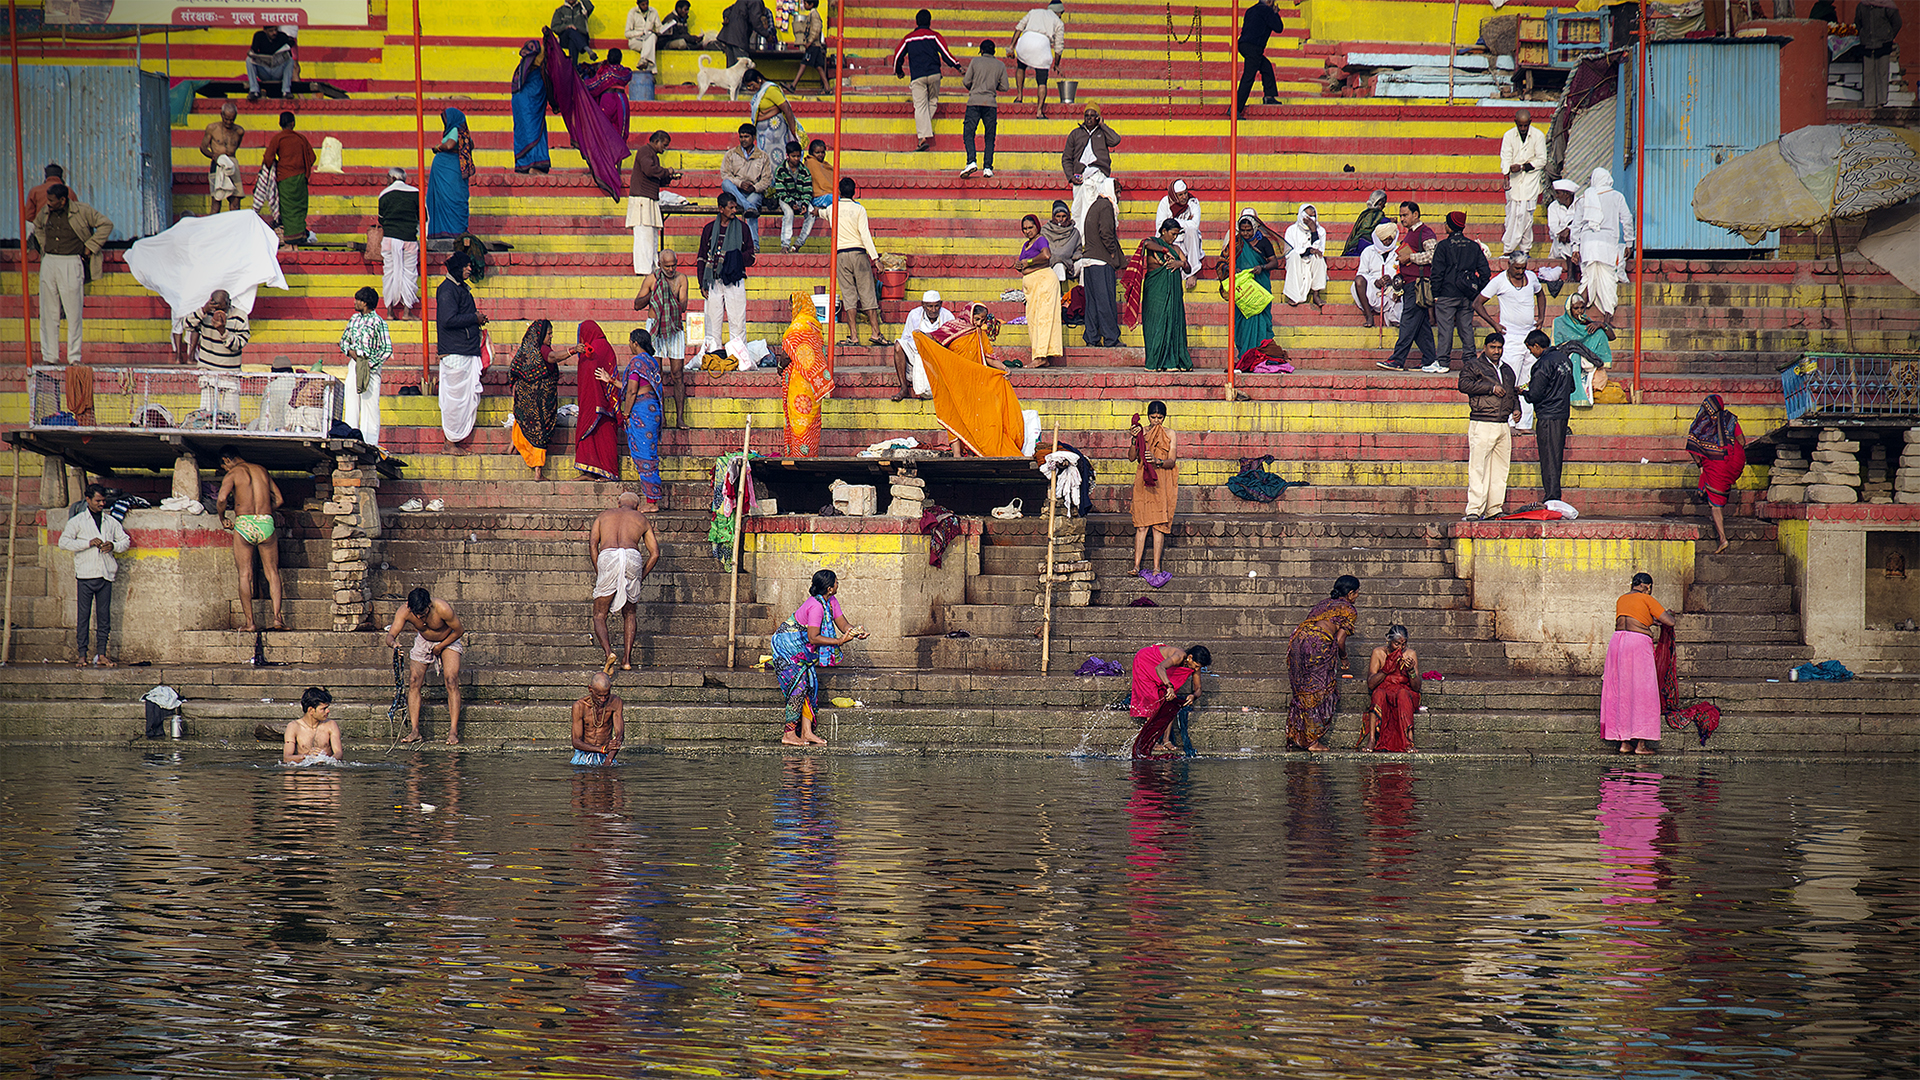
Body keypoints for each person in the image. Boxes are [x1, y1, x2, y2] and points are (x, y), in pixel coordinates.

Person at [770, 569, 866, 746]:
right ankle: (789, 733)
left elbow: (842, 623)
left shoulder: (832, 601)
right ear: (830, 588)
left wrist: (854, 632)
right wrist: (838, 641)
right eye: (836, 582)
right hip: (787, 647)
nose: (838, 584)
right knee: (799, 687)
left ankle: (806, 732)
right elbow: (813, 637)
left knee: (811, 686)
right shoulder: (815, 606)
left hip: (803, 651)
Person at [28, 185, 111, 367]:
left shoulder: (82, 211)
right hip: (49, 261)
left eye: (52, 200)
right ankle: (50, 355)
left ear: (63, 200)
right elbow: (37, 226)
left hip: (71, 261)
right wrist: (43, 245)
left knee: (73, 312)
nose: (48, 204)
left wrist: (91, 246)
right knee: (48, 312)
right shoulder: (46, 211)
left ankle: (74, 357)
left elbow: (106, 224)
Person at [58, 483, 130, 668]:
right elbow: (64, 542)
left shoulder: (111, 521)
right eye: (98, 500)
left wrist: (112, 545)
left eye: (104, 501)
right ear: (88, 500)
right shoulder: (77, 521)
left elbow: (125, 541)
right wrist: (87, 543)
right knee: (84, 616)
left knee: (104, 617)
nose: (102, 504)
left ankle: (102, 654)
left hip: (105, 574)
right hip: (85, 574)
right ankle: (82, 654)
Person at [216, 446, 286, 633]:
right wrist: (265, 510)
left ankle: (250, 623)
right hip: (265, 522)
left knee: (244, 574)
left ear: (226, 460)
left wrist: (222, 517)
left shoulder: (233, 474)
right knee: (272, 573)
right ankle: (277, 619)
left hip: (244, 523)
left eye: (223, 466)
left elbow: (222, 498)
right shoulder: (262, 470)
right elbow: (279, 500)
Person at [1286, 574, 1360, 752]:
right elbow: (1340, 641)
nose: (1357, 597)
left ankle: (1297, 736)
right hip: (1318, 643)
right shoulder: (1349, 609)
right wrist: (1344, 658)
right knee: (1319, 690)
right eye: (1357, 594)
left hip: (1298, 640)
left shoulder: (1323, 603)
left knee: (1302, 689)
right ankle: (1312, 742)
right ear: (1350, 593)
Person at [384, 587, 466, 745]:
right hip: (423, 641)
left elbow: (459, 630)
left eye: (424, 612)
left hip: (448, 640)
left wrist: (440, 647)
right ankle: (415, 731)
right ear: (410, 607)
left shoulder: (443, 608)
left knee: (451, 680)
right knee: (414, 681)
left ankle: (453, 731)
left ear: (429, 605)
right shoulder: (405, 610)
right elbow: (391, 634)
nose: (421, 616)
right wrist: (393, 644)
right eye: (418, 613)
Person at [588, 492, 661, 671]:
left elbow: (592, 545)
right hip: (632, 557)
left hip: (608, 556)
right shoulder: (641, 519)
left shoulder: (603, 516)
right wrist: (640, 576)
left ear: (618, 502)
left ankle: (608, 653)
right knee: (630, 613)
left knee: (599, 614)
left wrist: (600, 571)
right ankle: (627, 660)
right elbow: (655, 553)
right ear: (637, 506)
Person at [1603, 572, 1672, 754]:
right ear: (1647, 586)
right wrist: (1663, 617)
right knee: (1643, 692)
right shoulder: (1646, 598)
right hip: (1637, 644)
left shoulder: (1622, 599)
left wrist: (1651, 620)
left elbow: (1633, 618)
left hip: (1617, 643)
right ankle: (1640, 745)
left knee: (1621, 691)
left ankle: (1624, 743)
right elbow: (1670, 622)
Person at [1473, 252, 1544, 430]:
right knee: (1510, 379)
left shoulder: (1532, 277)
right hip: (1510, 338)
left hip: (1530, 338)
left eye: (1523, 268)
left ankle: (1525, 424)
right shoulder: (1499, 281)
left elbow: (1541, 294)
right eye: (1517, 268)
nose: (1521, 272)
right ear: (1509, 265)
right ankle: (1509, 422)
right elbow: (1477, 303)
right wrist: (1494, 325)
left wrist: (1541, 317)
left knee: (1528, 381)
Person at [1457, 332, 1519, 521]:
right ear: (1484, 348)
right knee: (1479, 468)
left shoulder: (1507, 370)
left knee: (1500, 469)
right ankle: (1474, 509)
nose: (1496, 351)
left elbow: (1512, 392)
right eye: (1492, 347)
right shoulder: (1474, 366)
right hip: (1482, 421)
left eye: (1499, 347)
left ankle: (1494, 508)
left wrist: (1516, 408)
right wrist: (1490, 388)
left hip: (1502, 424)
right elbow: (1463, 384)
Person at [509, 320, 579, 477]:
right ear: (540, 335)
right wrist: (572, 350)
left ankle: (510, 449)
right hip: (537, 403)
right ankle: (538, 472)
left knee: (522, 421)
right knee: (539, 432)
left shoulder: (526, 350)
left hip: (525, 398)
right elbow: (552, 358)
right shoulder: (542, 349)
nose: (551, 337)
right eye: (549, 334)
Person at [1377, 201, 1439, 372]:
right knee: (1421, 326)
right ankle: (1429, 360)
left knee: (1408, 322)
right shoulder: (1411, 234)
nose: (1402, 219)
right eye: (1401, 215)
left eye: (1405, 215)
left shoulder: (1424, 232)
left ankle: (1397, 360)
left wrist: (1410, 257)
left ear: (1416, 215)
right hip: (1409, 284)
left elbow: (1434, 255)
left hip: (1418, 285)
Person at [633, 248, 691, 427]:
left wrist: (668, 297)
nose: (671, 269)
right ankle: (662, 416)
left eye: (674, 265)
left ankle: (680, 418)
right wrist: (655, 293)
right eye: (667, 266)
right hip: (655, 328)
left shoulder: (682, 279)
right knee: (656, 373)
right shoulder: (651, 279)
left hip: (674, 327)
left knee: (677, 373)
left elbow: (683, 306)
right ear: (660, 265)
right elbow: (637, 304)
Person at [1686, 394, 1748, 555]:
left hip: (1716, 464)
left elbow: (1692, 445)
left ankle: (1722, 539)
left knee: (1715, 505)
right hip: (1735, 461)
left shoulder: (1701, 423)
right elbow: (1742, 441)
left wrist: (1701, 465)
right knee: (1715, 489)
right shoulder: (1730, 418)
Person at [1430, 210, 1490, 376]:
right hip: (1467, 295)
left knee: (1445, 328)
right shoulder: (1473, 246)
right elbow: (1485, 272)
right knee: (1466, 328)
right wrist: (1478, 291)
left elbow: (1437, 273)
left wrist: (1435, 293)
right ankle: (1471, 361)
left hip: (1446, 294)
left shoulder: (1443, 246)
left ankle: (1443, 361)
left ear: (1449, 226)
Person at [894, 9, 962, 152]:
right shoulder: (935, 36)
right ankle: (926, 130)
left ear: (916, 22)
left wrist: (899, 71)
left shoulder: (909, 38)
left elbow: (898, 56)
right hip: (934, 74)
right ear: (929, 22)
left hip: (918, 76)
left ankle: (923, 137)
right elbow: (945, 54)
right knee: (932, 102)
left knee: (920, 106)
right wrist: (958, 66)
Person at [435, 254, 487, 442]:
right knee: (454, 402)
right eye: (466, 266)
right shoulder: (447, 289)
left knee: (465, 400)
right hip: (456, 351)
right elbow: (448, 319)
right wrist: (475, 318)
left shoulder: (460, 288)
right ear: (457, 267)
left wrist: (476, 318)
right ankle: (450, 442)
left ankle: (456, 440)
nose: (469, 269)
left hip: (466, 349)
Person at [697, 193, 754, 361]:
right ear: (720, 209)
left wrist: (734, 258)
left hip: (734, 281)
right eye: (731, 207)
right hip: (713, 281)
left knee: (737, 322)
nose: (734, 210)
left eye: (735, 207)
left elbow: (751, 256)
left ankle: (737, 359)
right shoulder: (709, 229)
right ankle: (714, 358)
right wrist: (702, 283)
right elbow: (701, 256)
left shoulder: (742, 228)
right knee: (712, 323)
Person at [1128, 643, 1211, 758]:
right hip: (1145, 661)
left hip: (1161, 671)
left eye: (1199, 667)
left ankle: (1166, 740)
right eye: (1196, 666)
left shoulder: (1195, 666)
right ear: (1190, 657)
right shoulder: (1179, 656)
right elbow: (1160, 667)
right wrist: (1169, 687)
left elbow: (1198, 689)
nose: (1196, 669)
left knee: (1169, 703)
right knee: (1153, 699)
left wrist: (1193, 696)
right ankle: (1153, 741)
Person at [1575, 168, 1632, 331]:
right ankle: (1607, 319)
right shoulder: (1617, 196)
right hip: (1607, 246)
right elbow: (1626, 219)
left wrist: (1575, 247)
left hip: (1588, 245)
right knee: (1608, 282)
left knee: (1587, 280)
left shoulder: (1585, 197)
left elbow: (1576, 225)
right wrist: (1629, 242)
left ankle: (1577, 317)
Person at [1521, 329, 1575, 502]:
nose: (1531, 353)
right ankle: (1553, 494)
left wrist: (1524, 393)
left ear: (1537, 346)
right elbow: (1571, 387)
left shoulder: (1543, 364)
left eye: (1531, 349)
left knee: (1549, 457)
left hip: (1548, 415)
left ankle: (1552, 496)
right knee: (1556, 455)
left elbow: (1535, 394)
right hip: (1562, 413)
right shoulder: (1563, 359)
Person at [833, 177, 887, 347]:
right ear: (854, 191)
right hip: (859, 254)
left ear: (840, 191)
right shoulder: (859, 210)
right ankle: (875, 333)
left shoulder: (832, 209)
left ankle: (853, 336)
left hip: (841, 255)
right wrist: (875, 259)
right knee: (868, 294)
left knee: (849, 297)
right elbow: (865, 235)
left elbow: (819, 212)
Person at [615, 328, 667, 503]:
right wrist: (610, 380)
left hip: (641, 412)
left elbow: (631, 390)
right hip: (653, 411)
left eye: (630, 342)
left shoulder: (637, 362)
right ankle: (652, 498)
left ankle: (652, 502)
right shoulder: (652, 362)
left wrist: (626, 413)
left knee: (644, 456)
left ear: (635, 343)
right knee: (649, 454)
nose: (629, 346)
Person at [1129, 402, 1179, 582]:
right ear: (1148, 416)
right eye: (1153, 417)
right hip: (1143, 481)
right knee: (1141, 525)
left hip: (1162, 481)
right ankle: (1136, 565)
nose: (1156, 421)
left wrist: (1158, 461)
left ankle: (1157, 567)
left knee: (1158, 526)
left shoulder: (1170, 433)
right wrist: (1135, 440)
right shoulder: (1141, 433)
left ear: (1164, 418)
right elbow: (1132, 457)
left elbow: (1171, 461)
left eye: (1160, 418)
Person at [179, 291, 249, 418]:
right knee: (207, 415)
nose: (218, 311)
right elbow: (186, 325)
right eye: (216, 307)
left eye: (222, 308)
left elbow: (239, 344)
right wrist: (203, 310)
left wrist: (223, 332)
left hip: (230, 373)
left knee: (230, 416)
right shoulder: (206, 313)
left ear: (229, 303)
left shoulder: (240, 316)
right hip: (208, 371)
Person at [1135, 217, 1192, 371]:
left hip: (1173, 290)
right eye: (1172, 234)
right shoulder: (1154, 243)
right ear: (1163, 231)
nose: (1174, 237)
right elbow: (1146, 243)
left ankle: (1171, 361)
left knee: (1172, 321)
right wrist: (1165, 250)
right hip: (1155, 290)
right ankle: (1154, 362)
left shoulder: (1177, 249)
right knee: (1156, 322)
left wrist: (1180, 263)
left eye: (1176, 235)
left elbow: (1188, 268)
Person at [782, 291, 833, 456]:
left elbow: (786, 355)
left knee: (799, 421)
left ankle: (799, 456)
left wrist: (779, 367)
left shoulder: (798, 326)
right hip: (813, 384)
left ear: (797, 304)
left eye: (791, 304)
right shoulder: (814, 325)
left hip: (799, 383)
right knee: (810, 421)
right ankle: (810, 454)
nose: (790, 308)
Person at [338, 287, 391, 447]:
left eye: (358, 300)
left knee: (370, 404)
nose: (355, 302)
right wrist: (350, 351)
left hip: (370, 366)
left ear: (366, 303)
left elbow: (387, 348)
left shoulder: (379, 322)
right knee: (352, 401)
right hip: (354, 363)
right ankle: (351, 439)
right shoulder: (354, 319)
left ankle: (370, 443)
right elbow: (343, 340)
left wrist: (370, 364)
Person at [1221, 208, 1278, 357]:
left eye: (1248, 230)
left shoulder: (1263, 242)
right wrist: (1233, 270)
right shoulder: (1235, 242)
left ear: (1254, 227)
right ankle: (1244, 356)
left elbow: (1274, 262)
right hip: (1242, 290)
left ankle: (1261, 356)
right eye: (1243, 230)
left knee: (1261, 322)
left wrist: (1262, 267)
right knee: (1241, 323)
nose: (1246, 233)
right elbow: (1222, 262)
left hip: (1259, 287)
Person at [573, 321, 623, 481]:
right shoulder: (597, 346)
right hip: (590, 399)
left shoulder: (601, 347)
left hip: (602, 400)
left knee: (604, 435)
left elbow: (606, 371)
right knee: (589, 435)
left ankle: (608, 472)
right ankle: (589, 471)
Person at [1015, 213, 1063, 367]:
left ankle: (1040, 357)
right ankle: (1042, 357)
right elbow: (1025, 267)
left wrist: (1028, 262)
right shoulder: (1026, 245)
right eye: (1025, 229)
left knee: (1043, 319)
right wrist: (1021, 266)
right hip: (1033, 287)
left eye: (1030, 227)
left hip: (1045, 283)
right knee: (1034, 321)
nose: (1028, 231)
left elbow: (1046, 255)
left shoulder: (1041, 240)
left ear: (1037, 226)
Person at [628, 130, 679, 275]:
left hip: (649, 198)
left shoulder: (652, 155)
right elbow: (649, 170)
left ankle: (651, 267)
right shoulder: (645, 151)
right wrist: (666, 171)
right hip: (642, 199)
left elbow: (655, 176)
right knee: (644, 235)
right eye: (664, 144)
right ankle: (644, 269)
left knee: (651, 236)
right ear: (657, 141)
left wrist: (669, 177)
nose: (665, 148)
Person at [1361, 625, 1418, 753]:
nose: (1400, 648)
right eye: (1396, 644)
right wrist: (1386, 669)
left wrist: (1411, 671)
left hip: (1403, 691)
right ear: (1389, 641)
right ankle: (1372, 739)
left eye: (1403, 644)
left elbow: (1416, 687)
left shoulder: (1410, 654)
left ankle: (1409, 740)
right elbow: (1371, 683)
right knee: (1378, 694)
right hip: (1384, 690)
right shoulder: (1378, 653)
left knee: (1403, 694)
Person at [1079, 178, 1121, 348]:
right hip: (1101, 261)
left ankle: (1092, 338)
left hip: (1089, 261)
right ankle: (1110, 338)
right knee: (1105, 302)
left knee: (1093, 303)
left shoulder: (1095, 205)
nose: (1118, 196)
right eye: (1117, 192)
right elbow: (1106, 233)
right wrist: (1112, 253)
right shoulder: (1106, 206)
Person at [262, 111, 315, 246]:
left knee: (287, 208)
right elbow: (312, 157)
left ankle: (290, 237)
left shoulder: (278, 139)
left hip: (285, 178)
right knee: (299, 207)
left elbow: (268, 158)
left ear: (280, 124)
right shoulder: (301, 138)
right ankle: (301, 235)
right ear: (293, 123)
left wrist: (274, 166)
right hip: (300, 178)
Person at [1500, 110, 1547, 258]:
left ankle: (1525, 250)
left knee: (1526, 217)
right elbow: (1505, 157)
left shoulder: (1538, 136)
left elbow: (1542, 160)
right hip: (1514, 183)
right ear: (1515, 123)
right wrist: (1506, 173)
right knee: (1512, 215)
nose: (1523, 129)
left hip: (1530, 182)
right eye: (1520, 126)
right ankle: (1509, 249)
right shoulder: (1508, 136)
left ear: (1530, 123)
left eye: (1525, 126)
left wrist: (1522, 167)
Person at [719, 123, 773, 252]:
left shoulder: (763, 156)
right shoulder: (731, 154)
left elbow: (767, 179)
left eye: (746, 136)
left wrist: (754, 187)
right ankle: (747, 206)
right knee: (725, 184)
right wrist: (739, 183)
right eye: (741, 136)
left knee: (752, 205)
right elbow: (725, 174)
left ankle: (754, 245)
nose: (743, 139)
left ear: (753, 137)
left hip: (754, 192)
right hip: (736, 192)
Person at [961, 39, 1010, 177]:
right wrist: (993, 86)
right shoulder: (1000, 65)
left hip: (974, 102)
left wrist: (976, 87)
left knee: (969, 133)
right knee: (989, 136)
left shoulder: (975, 62)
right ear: (993, 51)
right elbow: (1005, 87)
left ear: (981, 50)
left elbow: (966, 81)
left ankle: (971, 161)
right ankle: (988, 167)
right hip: (990, 103)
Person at [894, 290, 954, 401]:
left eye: (936, 306)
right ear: (923, 305)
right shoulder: (914, 315)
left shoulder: (948, 316)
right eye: (930, 306)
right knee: (898, 345)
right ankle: (904, 388)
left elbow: (952, 342)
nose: (933, 310)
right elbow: (906, 338)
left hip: (938, 356)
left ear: (941, 304)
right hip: (917, 353)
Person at [376, 167, 421, 318]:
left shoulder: (384, 194)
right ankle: (407, 312)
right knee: (409, 274)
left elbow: (380, 219)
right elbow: (423, 218)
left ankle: (390, 312)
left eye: (387, 178)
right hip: (409, 239)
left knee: (390, 272)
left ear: (392, 179)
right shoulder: (416, 193)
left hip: (389, 239)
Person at [1554, 294, 1613, 407]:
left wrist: (1601, 325)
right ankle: (1576, 395)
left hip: (1587, 356)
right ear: (1569, 309)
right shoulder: (1559, 322)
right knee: (1575, 355)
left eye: (1582, 308)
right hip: (1568, 356)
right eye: (1576, 308)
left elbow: (1612, 337)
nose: (1579, 311)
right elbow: (1558, 346)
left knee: (1600, 332)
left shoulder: (1587, 321)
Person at [1062, 104, 1120, 218]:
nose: (1089, 118)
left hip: (1098, 176)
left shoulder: (1103, 133)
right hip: (1080, 177)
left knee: (1097, 213)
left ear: (1098, 117)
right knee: (1079, 213)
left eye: (1092, 115)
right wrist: (1070, 176)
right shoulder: (1076, 134)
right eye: (1086, 115)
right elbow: (1066, 158)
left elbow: (1115, 140)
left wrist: (1102, 125)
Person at [1012, 0, 1066, 119]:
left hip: (1025, 40)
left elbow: (1019, 28)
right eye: (1061, 13)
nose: (1061, 16)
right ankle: (1039, 112)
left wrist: (1011, 46)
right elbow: (1058, 47)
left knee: (1021, 66)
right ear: (1057, 12)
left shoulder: (1034, 12)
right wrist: (1056, 64)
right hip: (1042, 45)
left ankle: (1019, 96)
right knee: (1042, 82)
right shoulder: (1058, 22)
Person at [427, 108, 475, 238]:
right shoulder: (464, 132)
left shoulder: (455, 129)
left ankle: (453, 232)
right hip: (446, 169)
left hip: (449, 169)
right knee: (445, 199)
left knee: (453, 198)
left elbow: (449, 145)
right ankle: (448, 231)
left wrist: (438, 147)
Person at [1235, 0, 1286, 117]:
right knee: (1248, 77)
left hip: (1243, 45)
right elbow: (1279, 28)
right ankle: (1235, 108)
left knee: (1266, 66)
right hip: (1254, 47)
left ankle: (1269, 96)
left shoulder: (1251, 10)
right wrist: (1275, 13)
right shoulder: (1267, 10)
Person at [511, 40, 554, 176]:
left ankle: (524, 165)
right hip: (529, 105)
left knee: (524, 131)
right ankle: (534, 165)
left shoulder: (522, 72)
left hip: (521, 103)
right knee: (533, 131)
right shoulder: (536, 72)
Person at [1154, 180, 1204, 288]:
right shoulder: (1165, 203)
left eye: (1185, 193)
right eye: (1180, 195)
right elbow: (1160, 227)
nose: (1184, 197)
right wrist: (1185, 224)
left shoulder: (1193, 202)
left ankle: (1192, 273)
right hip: (1171, 240)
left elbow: (1194, 225)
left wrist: (1173, 222)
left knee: (1192, 232)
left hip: (1187, 240)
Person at [772, 141, 818, 253]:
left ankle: (798, 244)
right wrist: (792, 204)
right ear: (787, 156)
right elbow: (781, 192)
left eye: (798, 156)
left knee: (812, 214)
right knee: (789, 213)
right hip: (785, 199)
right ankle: (785, 244)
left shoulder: (804, 171)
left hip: (800, 199)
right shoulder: (780, 170)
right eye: (793, 156)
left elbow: (808, 190)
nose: (796, 159)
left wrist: (804, 204)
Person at [200, 103, 246, 215]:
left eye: (232, 119)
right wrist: (213, 156)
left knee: (236, 201)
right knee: (216, 201)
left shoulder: (239, 131)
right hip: (217, 164)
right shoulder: (212, 128)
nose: (229, 122)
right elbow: (203, 147)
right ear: (221, 115)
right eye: (226, 119)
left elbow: (235, 148)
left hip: (232, 164)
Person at [744, 68, 800, 161]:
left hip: (774, 133)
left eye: (752, 85)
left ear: (759, 79)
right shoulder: (760, 92)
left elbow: (786, 108)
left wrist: (793, 130)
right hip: (763, 135)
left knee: (775, 158)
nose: (750, 89)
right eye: (748, 87)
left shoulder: (770, 89)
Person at [1353, 221, 1400, 329]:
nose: (1388, 242)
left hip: (1392, 287)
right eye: (1385, 239)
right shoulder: (1368, 251)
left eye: (1390, 239)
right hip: (1371, 286)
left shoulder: (1399, 251)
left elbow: (1402, 273)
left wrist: (1392, 280)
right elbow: (1362, 273)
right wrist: (1376, 282)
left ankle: (1395, 317)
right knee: (1359, 281)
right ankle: (1369, 316)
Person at [570, 673, 625, 766]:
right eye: (599, 695)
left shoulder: (615, 702)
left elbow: (620, 735)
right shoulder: (580, 706)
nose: (603, 699)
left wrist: (609, 759)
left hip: (607, 756)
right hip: (584, 757)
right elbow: (576, 742)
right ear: (590, 689)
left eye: (606, 695)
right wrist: (602, 749)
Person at [1281, 203, 1328, 309]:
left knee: (1319, 258)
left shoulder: (1321, 231)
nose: (1311, 219)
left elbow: (1319, 250)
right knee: (1294, 256)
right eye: (1308, 216)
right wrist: (1306, 251)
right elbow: (1288, 251)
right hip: (1297, 261)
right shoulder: (1291, 230)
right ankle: (1293, 295)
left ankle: (1316, 294)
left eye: (1313, 216)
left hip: (1311, 261)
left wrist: (1313, 231)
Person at [1857, 0, 1903, 110]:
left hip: (1883, 43)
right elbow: (1858, 22)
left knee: (1882, 73)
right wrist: (1863, 35)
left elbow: (1897, 23)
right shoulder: (1862, 6)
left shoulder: (1888, 6)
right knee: (1868, 73)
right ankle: (1869, 102)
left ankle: (1881, 102)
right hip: (1867, 44)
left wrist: (1888, 36)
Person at [282, 687, 344, 765]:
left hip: (326, 773)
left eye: (327, 708)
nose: (328, 711)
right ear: (311, 710)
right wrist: (307, 756)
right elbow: (287, 758)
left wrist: (327, 760)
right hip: (303, 772)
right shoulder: (294, 727)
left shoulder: (331, 725)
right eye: (323, 709)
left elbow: (339, 753)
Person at [1040, 200, 1082, 312]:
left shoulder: (1074, 232)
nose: (1061, 219)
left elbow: (1078, 251)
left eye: (1064, 216)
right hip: (1053, 265)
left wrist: (1071, 260)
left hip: (1070, 264)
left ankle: (1082, 294)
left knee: (1084, 264)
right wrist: (1060, 259)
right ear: (1053, 216)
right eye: (1058, 216)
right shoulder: (1045, 231)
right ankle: (1058, 297)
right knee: (1059, 264)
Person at [585, 48, 634, 140]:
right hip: (622, 100)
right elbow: (629, 74)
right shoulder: (625, 72)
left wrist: (586, 77)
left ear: (608, 58)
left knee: (605, 126)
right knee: (621, 127)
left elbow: (592, 85)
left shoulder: (604, 72)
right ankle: (619, 149)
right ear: (620, 59)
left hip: (607, 99)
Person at [1545, 179, 1581, 291]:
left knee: (1572, 238)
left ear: (1567, 194)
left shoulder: (1580, 204)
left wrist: (1570, 230)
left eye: (1558, 193)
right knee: (1567, 241)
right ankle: (1571, 275)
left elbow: (1582, 222)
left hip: (1578, 240)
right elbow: (1554, 227)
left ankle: (1571, 275)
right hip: (1559, 243)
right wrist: (1564, 232)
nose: (1556, 196)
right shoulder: (1553, 207)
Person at [244, 24, 297, 101]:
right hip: (264, 71)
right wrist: (251, 53)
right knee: (249, 60)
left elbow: (288, 53)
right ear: (265, 31)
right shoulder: (259, 36)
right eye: (271, 31)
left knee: (290, 60)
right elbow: (253, 52)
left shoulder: (282, 36)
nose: (274, 33)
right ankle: (254, 91)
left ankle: (286, 91)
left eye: (276, 30)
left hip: (277, 71)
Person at [791, 0, 829, 93]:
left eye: (805, 3)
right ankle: (827, 88)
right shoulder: (812, 14)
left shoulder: (814, 14)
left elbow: (816, 29)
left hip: (813, 46)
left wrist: (809, 41)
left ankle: (793, 86)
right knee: (819, 67)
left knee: (804, 63)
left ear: (811, 4)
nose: (804, 5)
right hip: (816, 46)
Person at [1341, 189, 1388, 256]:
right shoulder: (1379, 214)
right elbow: (1384, 222)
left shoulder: (1364, 213)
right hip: (1366, 244)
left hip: (1354, 244)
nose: (1384, 205)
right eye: (1384, 203)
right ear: (1380, 202)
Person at [624, 0, 663, 72]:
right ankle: (651, 70)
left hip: (649, 39)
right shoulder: (632, 12)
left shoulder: (653, 11)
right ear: (638, 4)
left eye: (647, 4)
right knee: (650, 46)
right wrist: (641, 33)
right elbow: (627, 33)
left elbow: (659, 28)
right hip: (636, 41)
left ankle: (643, 60)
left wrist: (661, 30)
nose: (645, 6)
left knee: (652, 36)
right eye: (643, 4)